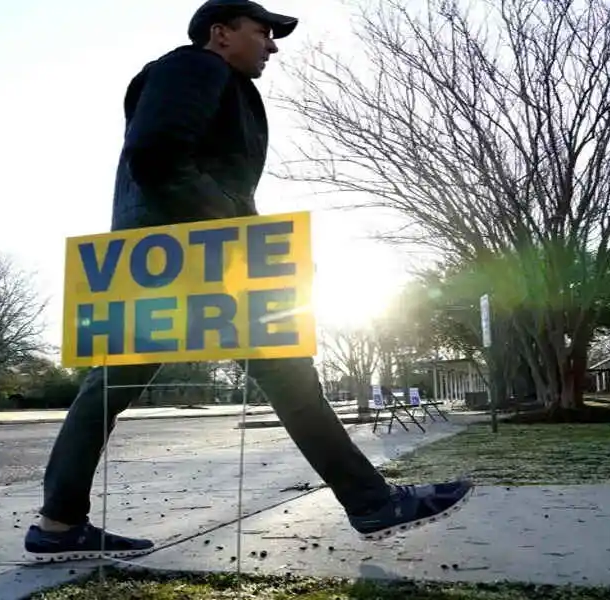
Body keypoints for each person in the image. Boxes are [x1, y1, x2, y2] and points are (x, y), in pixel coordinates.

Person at [25, 0, 473, 562]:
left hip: (160, 260)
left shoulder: (203, 75)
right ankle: (371, 502)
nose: (272, 44)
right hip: (190, 261)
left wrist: (266, 248)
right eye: (263, 32)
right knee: (285, 375)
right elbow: (156, 155)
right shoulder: (196, 66)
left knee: (110, 391)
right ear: (221, 33)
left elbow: (192, 173)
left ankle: (59, 524)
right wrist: (245, 241)